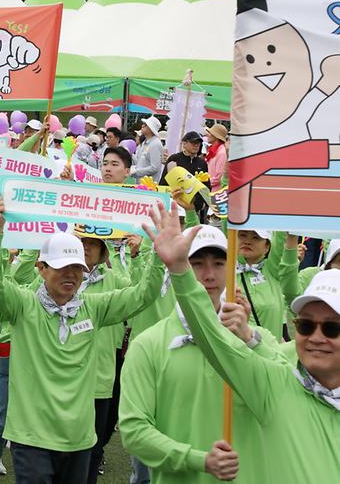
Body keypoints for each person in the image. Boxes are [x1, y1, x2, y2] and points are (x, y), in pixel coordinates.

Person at [144, 203, 340, 482]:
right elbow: (212, 337)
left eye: (332, 328)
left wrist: (251, 338)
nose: (316, 337)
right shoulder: (277, 386)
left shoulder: (271, 353)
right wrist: (180, 271)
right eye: (305, 326)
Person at [0, 195, 166, 484]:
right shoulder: (24, 305)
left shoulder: (94, 306)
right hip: (32, 437)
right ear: (41, 268)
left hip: (79, 438)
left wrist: (157, 251)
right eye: (61, 267)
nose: (71, 274)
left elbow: (144, 295)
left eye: (77, 268)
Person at [119, 224, 283, 484]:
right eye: (196, 264)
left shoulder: (256, 338)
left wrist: (250, 340)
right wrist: (200, 460)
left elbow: (288, 394)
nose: (209, 275)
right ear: (178, 269)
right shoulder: (148, 345)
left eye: (219, 264)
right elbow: (134, 431)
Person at [236, 230, 299, 339]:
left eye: (255, 237)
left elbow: (280, 236)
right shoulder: (224, 270)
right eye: (242, 235)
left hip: (271, 349)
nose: (247, 241)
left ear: (267, 247)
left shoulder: (272, 269)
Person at [133, 117, 164, 183]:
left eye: (145, 125)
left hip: (149, 185)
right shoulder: (145, 142)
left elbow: (155, 168)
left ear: (151, 129)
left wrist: (136, 171)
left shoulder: (155, 144)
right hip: (140, 183)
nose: (142, 126)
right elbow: (140, 163)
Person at [204, 124, 228, 192]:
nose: (207, 135)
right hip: (210, 189)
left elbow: (218, 177)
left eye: (210, 133)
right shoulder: (213, 150)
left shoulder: (221, 153)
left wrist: (204, 183)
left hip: (215, 192)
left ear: (216, 136)